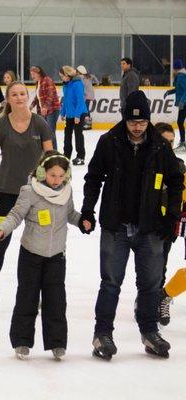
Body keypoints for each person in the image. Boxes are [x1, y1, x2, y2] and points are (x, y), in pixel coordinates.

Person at [80, 90, 183, 360]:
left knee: (150, 284)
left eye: (142, 122)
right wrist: (88, 209)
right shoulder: (109, 141)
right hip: (116, 227)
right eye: (132, 122)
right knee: (111, 283)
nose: (137, 127)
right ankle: (102, 334)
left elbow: (176, 181)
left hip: (150, 227)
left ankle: (149, 332)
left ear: (149, 120)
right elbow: (93, 178)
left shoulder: (160, 145)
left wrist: (171, 215)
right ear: (125, 119)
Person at [0, 151, 88, 360]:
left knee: (56, 300)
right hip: (31, 254)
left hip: (56, 256)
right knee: (27, 297)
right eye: (53, 175)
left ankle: (57, 343)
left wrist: (83, 221)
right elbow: (16, 214)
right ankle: (21, 341)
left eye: (61, 176)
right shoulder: (30, 191)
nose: (57, 180)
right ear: (42, 172)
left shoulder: (66, 192)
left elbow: (70, 214)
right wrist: (3, 229)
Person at [0, 82, 54, 311]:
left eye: (23, 93)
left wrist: (52, 187)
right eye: (14, 94)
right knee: (1, 241)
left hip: (37, 194)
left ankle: (37, 291)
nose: (20, 97)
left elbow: (51, 158)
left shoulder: (39, 123)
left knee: (38, 245)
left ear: (28, 96)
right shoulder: (1, 125)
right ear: (8, 98)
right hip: (7, 193)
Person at [155, 122, 186, 327]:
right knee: (154, 265)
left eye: (172, 142)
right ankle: (160, 296)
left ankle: (160, 296)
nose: (169, 145)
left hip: (171, 220)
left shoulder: (179, 165)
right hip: (154, 222)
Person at [59, 66, 88, 165]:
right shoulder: (65, 85)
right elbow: (66, 100)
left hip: (79, 113)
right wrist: (63, 112)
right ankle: (66, 155)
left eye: (62, 76)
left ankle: (80, 156)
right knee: (67, 134)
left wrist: (77, 115)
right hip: (70, 114)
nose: (61, 78)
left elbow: (80, 100)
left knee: (78, 134)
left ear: (67, 75)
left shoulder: (77, 84)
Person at [30, 66, 61, 148]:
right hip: (44, 111)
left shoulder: (47, 80)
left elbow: (50, 95)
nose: (32, 76)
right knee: (44, 132)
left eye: (33, 74)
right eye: (31, 74)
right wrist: (31, 105)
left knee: (50, 132)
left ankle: (53, 151)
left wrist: (45, 107)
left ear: (39, 72)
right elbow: (37, 97)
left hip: (52, 109)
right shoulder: (38, 83)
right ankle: (47, 150)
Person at [164, 59, 186, 151]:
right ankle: (183, 142)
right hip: (183, 102)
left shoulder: (181, 76)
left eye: (173, 68)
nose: (172, 70)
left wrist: (182, 101)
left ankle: (183, 143)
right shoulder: (179, 76)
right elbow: (178, 89)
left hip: (184, 103)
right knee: (180, 122)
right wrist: (169, 92)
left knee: (180, 122)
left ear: (176, 69)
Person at [76, 65, 99, 130]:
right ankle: (88, 124)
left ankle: (86, 124)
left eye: (77, 71)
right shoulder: (89, 76)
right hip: (90, 95)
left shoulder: (80, 77)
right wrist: (97, 83)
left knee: (85, 109)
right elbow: (94, 77)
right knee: (86, 109)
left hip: (85, 95)